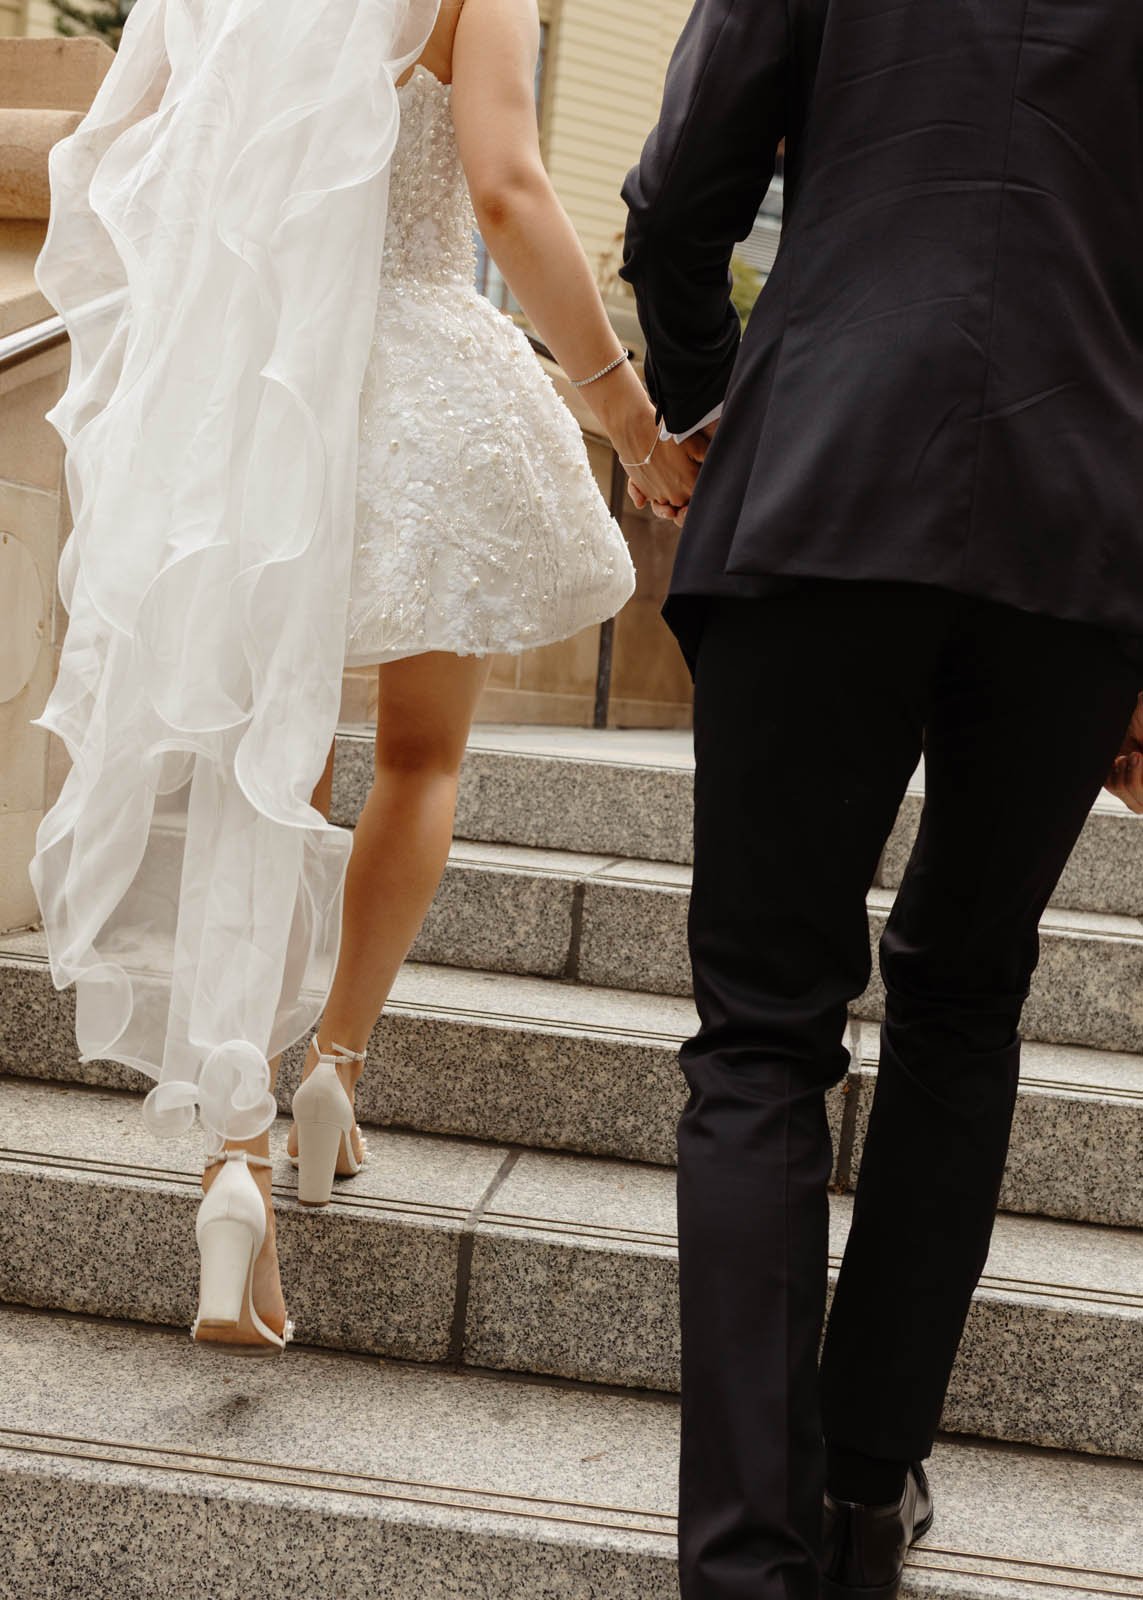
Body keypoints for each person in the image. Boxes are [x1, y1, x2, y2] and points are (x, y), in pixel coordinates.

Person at [33, 0, 696, 1357]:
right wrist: (627, 415)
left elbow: (135, 163)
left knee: (266, 762)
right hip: (416, 390)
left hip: (261, 404)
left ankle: (234, 1154)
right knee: (420, 757)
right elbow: (506, 190)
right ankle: (334, 1065)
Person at [621, 3, 1143, 1598]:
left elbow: (679, 195)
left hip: (822, 476)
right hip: (1077, 525)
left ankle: (747, 1563)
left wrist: (706, 397)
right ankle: (859, 1499)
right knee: (965, 1004)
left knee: (761, 1032)